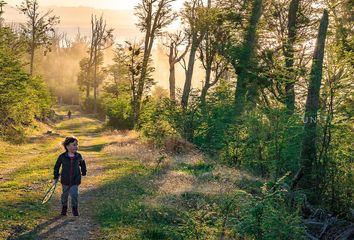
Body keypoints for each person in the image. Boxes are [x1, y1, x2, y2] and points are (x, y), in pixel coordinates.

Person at [54, 136, 87, 216]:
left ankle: (75, 209)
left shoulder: (78, 156)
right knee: (64, 195)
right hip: (65, 180)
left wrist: (83, 171)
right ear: (67, 146)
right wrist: (56, 176)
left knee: (74, 195)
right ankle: (64, 208)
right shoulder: (62, 156)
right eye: (74, 145)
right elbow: (57, 166)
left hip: (75, 179)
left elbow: (82, 163)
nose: (76, 146)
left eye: (77, 145)